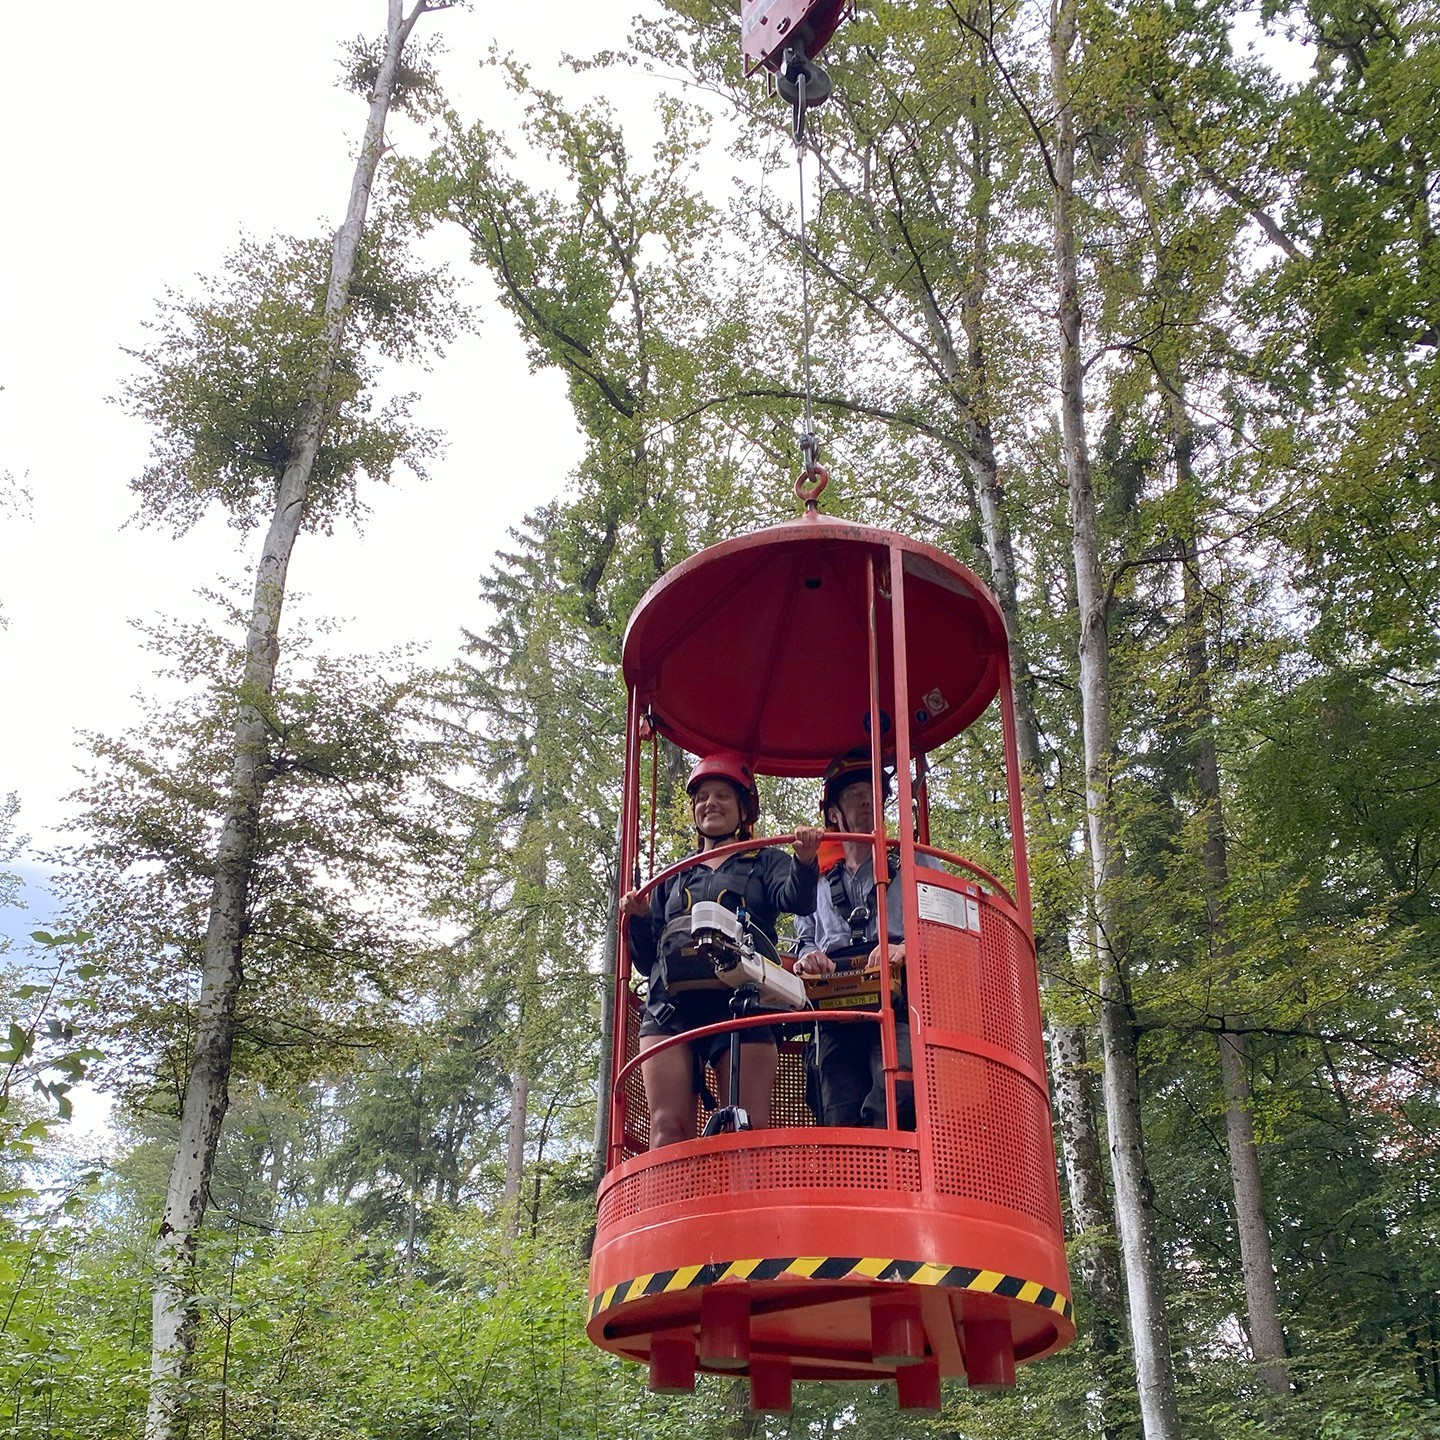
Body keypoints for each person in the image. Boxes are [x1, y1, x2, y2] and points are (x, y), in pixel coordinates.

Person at [620, 751, 823, 1148]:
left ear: (744, 808)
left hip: (742, 1002)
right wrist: (641, 918)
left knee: (746, 1128)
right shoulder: (673, 877)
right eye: (702, 797)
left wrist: (804, 860)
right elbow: (646, 962)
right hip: (671, 1007)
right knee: (667, 1128)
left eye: (722, 796)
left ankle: (746, 1207)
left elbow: (796, 899)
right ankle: (671, 1209)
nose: (710, 803)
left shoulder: (766, 861)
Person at [793, 748, 938, 1130]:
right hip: (837, 1009)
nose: (865, 801)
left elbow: (947, 929)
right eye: (854, 794)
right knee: (839, 1111)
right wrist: (810, 956)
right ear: (833, 813)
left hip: (901, 1002)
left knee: (900, 1092)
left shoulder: (914, 863)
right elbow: (805, 940)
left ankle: (896, 1180)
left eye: (872, 792)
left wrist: (905, 947)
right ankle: (853, 1184)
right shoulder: (817, 881)